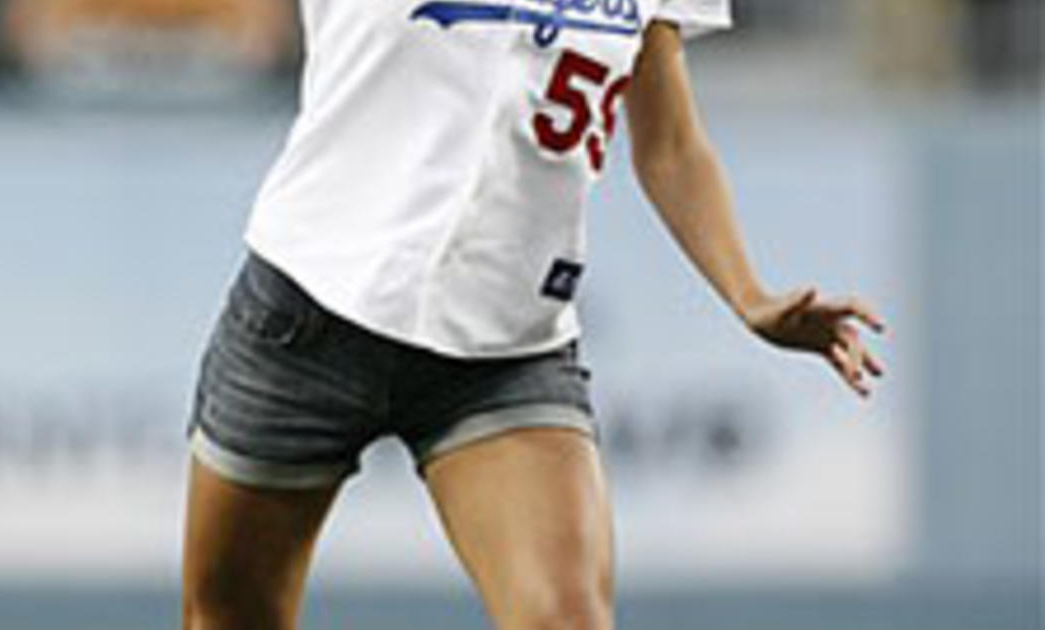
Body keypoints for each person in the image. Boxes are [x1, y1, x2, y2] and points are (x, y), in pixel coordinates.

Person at [180, 0, 886, 628]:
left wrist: (748, 294)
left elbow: (670, 143)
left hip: (507, 346)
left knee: (563, 616)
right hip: (310, 311)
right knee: (232, 614)